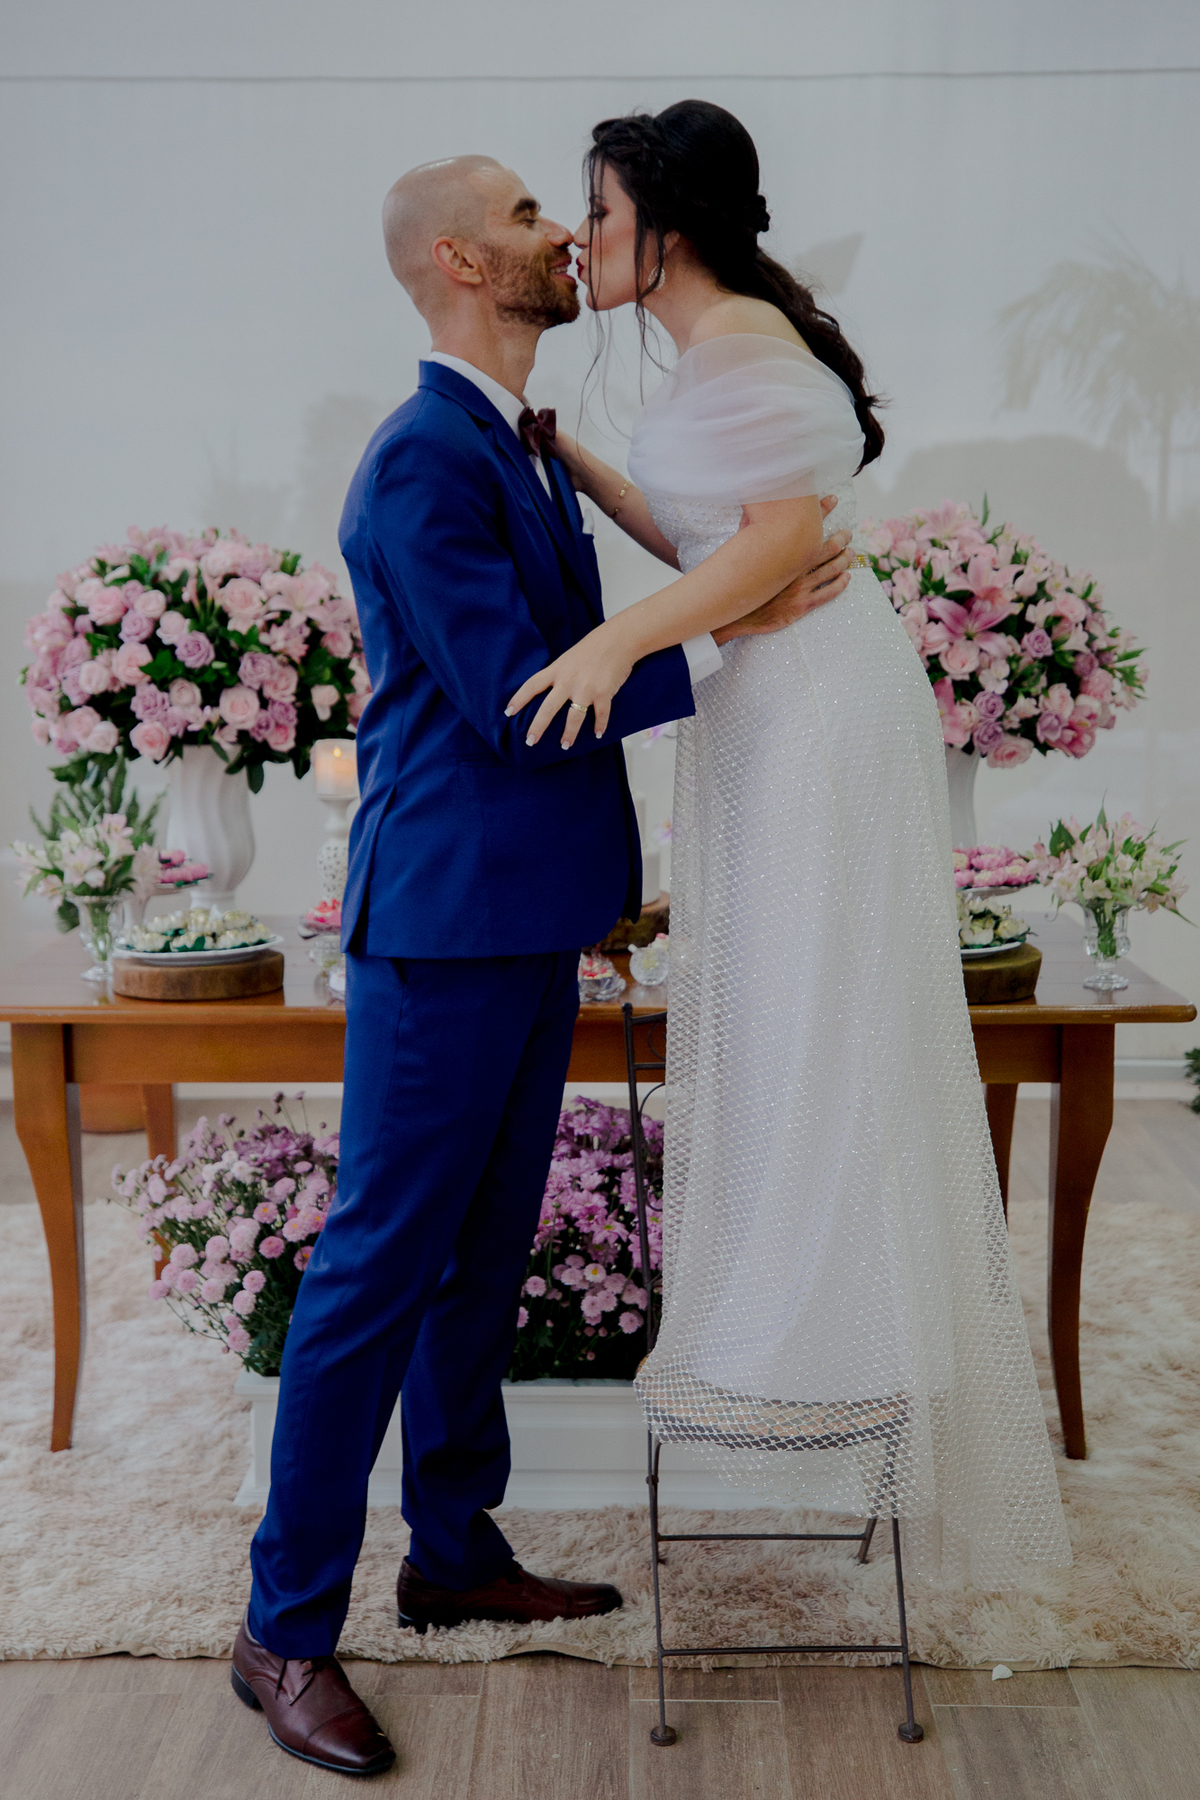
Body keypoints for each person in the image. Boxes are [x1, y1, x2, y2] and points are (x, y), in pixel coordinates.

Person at [230, 152, 853, 1776]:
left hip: (522, 921)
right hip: (440, 928)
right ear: (456, 257)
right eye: (522, 215)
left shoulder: (513, 441)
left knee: (477, 1263)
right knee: (373, 1277)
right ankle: (281, 1633)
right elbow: (524, 700)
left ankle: (450, 1554)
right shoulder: (420, 462)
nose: (557, 235)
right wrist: (739, 633)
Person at [509, 101, 1072, 1590]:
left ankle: (833, 1329)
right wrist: (585, 472)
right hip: (765, 692)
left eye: (603, 215)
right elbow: (722, 542)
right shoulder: (723, 349)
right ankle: (788, 1316)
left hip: (814, 704)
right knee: (775, 997)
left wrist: (622, 639)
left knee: (824, 1004)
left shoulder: (747, 344)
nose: (582, 239)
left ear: (670, 228)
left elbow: (772, 538)